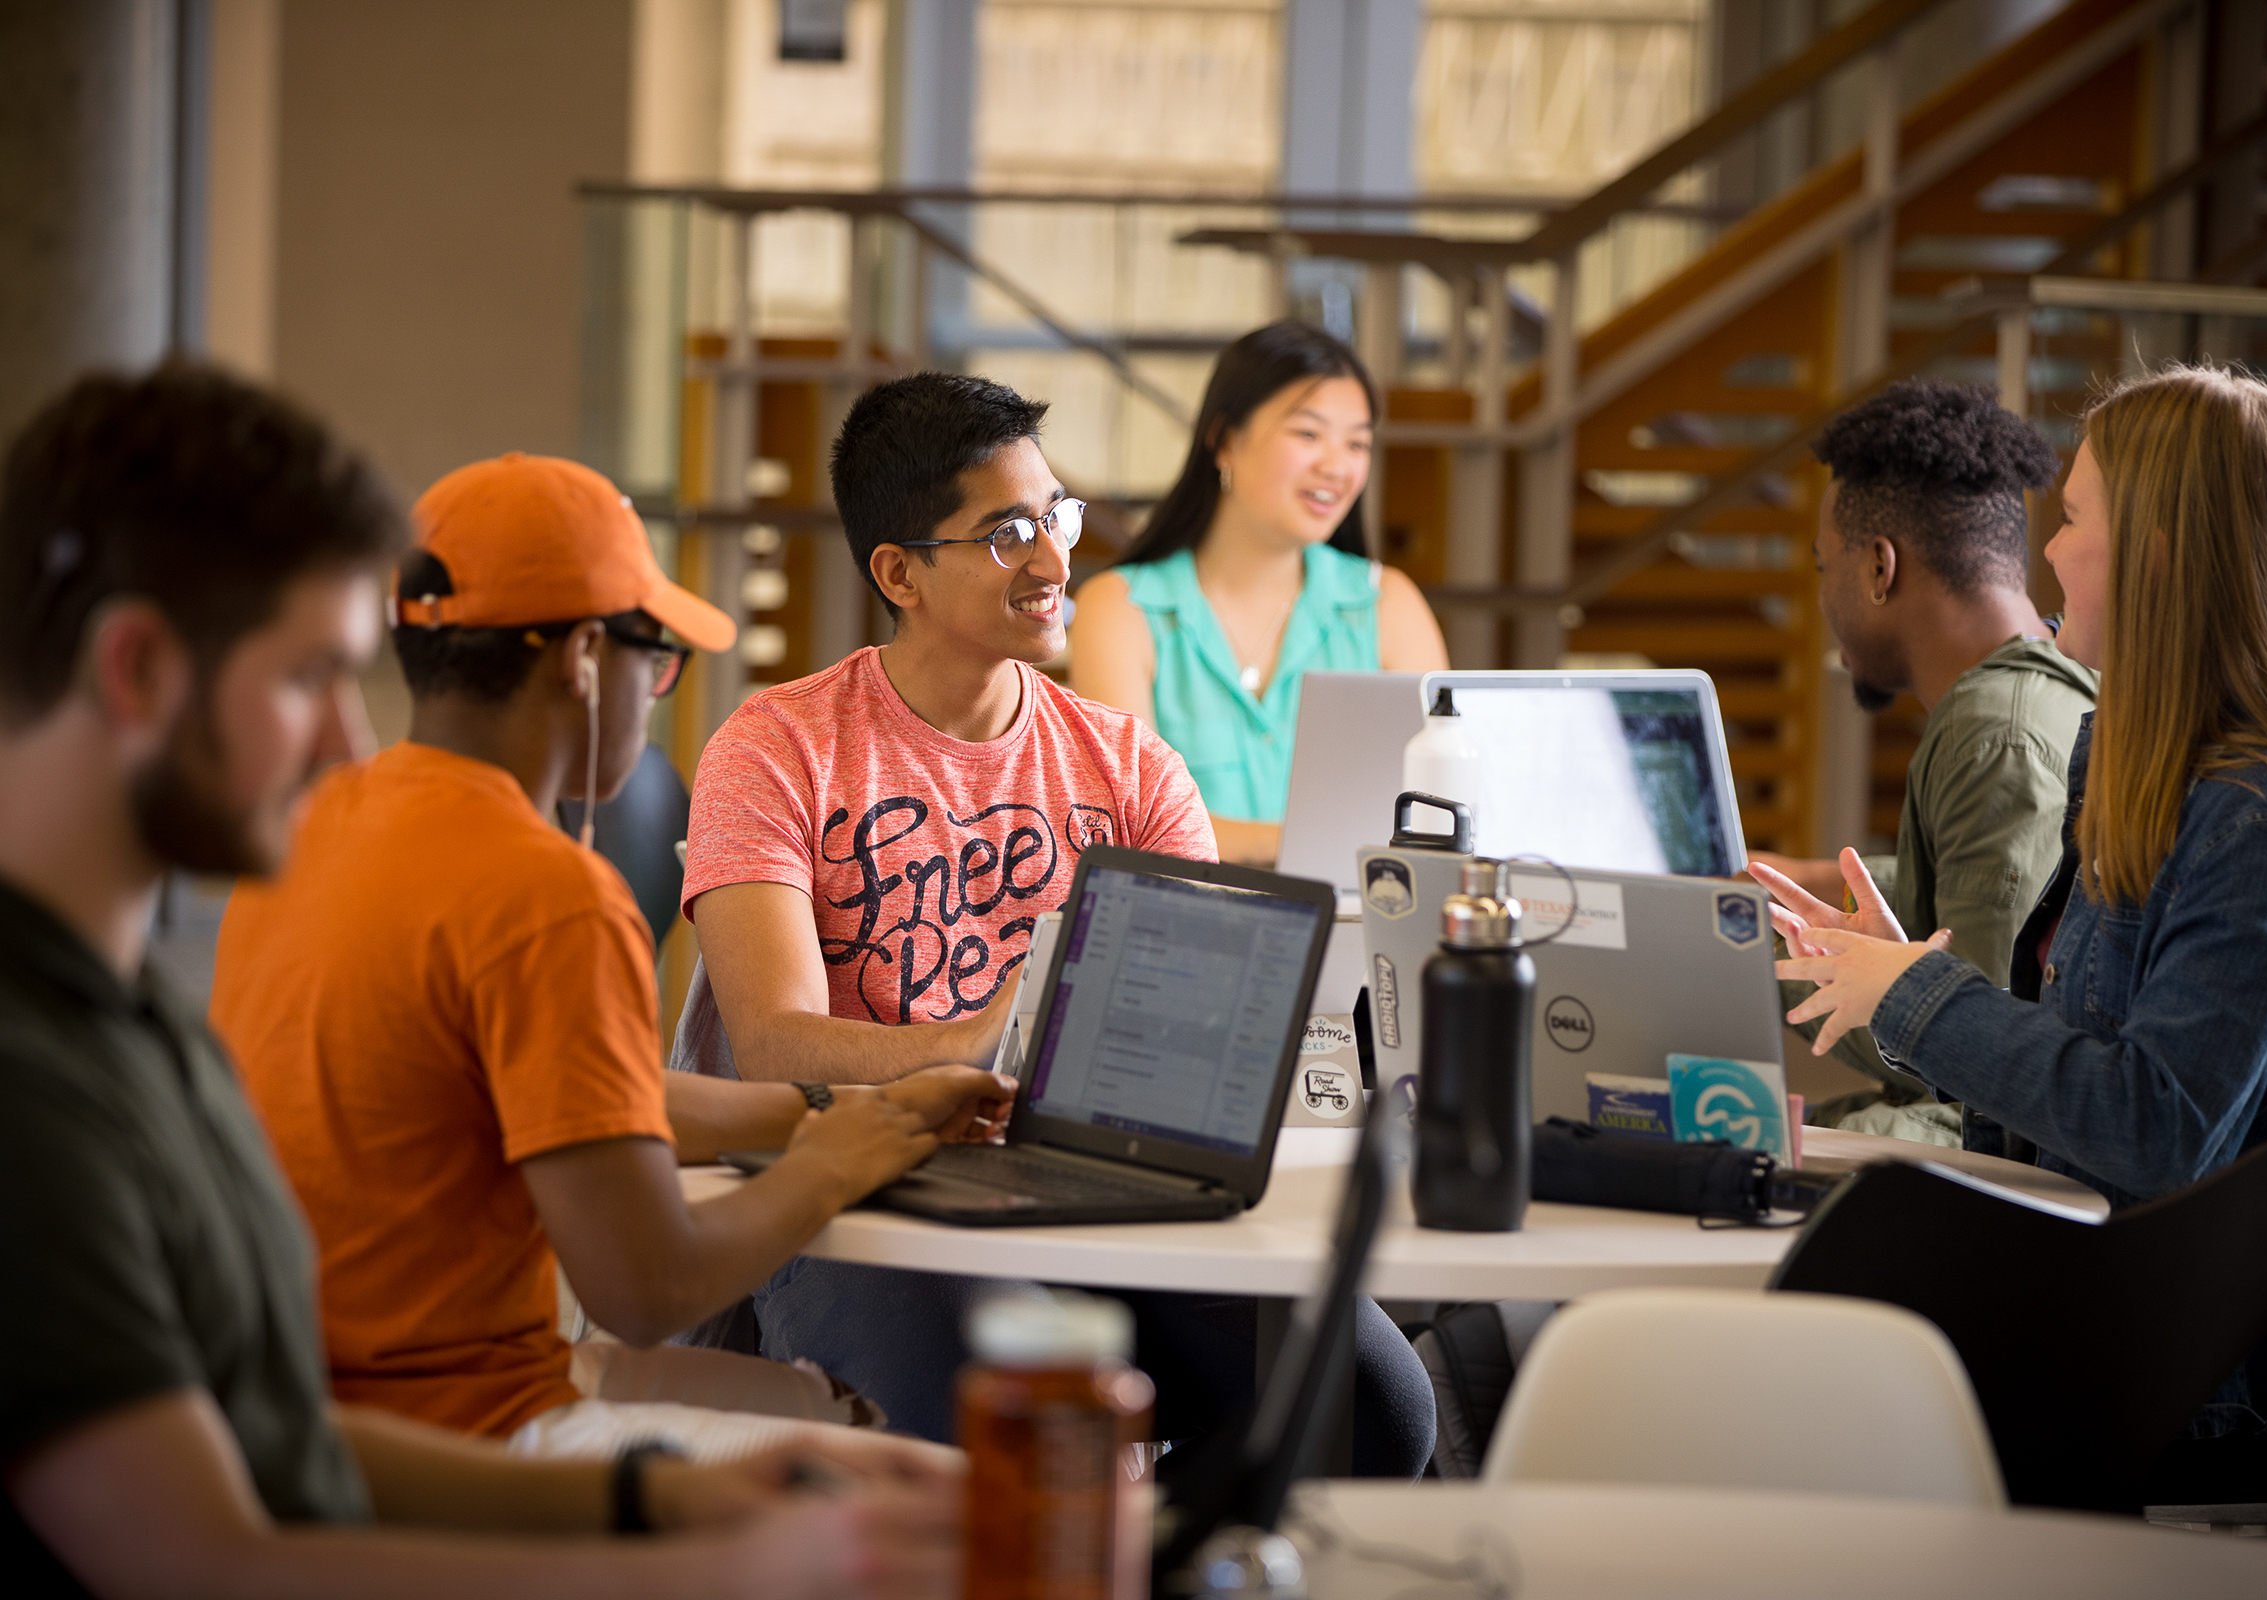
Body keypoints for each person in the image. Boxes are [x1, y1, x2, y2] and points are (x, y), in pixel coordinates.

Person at [0, 365, 956, 1597]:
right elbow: (196, 1558)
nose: (351, 744)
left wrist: (653, 1497)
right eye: (308, 678)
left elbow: (272, 1436)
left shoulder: (132, 1022)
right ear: (134, 669)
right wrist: (716, 1564)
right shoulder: (35, 1084)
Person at [675, 372, 1435, 1475]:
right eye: (1006, 534)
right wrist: (988, 1036)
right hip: (863, 1193)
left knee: (1372, 1405)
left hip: (1101, 1191)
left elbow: (1202, 1032)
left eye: (1057, 517)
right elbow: (775, 1042)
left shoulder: (1130, 765)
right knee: (1015, 1447)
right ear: (900, 573)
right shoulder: (776, 747)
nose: (1052, 561)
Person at [210, 452, 1015, 1459]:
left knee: (850, 1410)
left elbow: (588, 1095)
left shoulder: (313, 825)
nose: (658, 692)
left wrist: (850, 1108)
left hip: (302, 1400)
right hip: (472, 1423)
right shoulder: (546, 892)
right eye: (658, 657)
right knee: (942, 1480)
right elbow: (646, 1286)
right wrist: (835, 1164)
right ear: (587, 658)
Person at [1766, 365, 2267, 1512]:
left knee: (1763, 1407)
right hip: (2118, 1326)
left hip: (2230, 1396)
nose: (2048, 553)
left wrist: (1920, 995)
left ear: (2155, 553)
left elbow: (2155, 1127)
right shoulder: (2132, 761)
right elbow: (2072, 1094)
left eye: (2074, 520)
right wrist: (1895, 989)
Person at [1747, 381, 2095, 1142]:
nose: (1822, 599)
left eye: (1821, 568)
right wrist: (1799, 883)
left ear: (1879, 568)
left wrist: (1733, 940)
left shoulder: (1994, 737)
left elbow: (1975, 1072)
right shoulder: (2046, 697)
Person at [1068, 321, 1448, 866]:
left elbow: (1437, 810)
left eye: (1358, 443)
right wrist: (1322, 844)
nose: (1337, 467)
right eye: (1308, 434)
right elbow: (1133, 825)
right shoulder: (1121, 609)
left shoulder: (1389, 605)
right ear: (1224, 440)